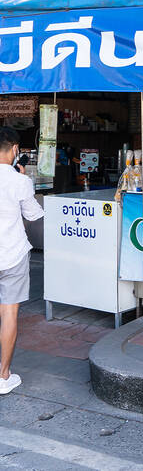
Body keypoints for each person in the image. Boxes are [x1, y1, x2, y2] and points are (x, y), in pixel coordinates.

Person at [0, 127, 44, 395]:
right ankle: (3, 375)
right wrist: (26, 182)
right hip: (12, 254)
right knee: (9, 313)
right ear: (15, 149)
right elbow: (33, 215)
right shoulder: (19, 181)